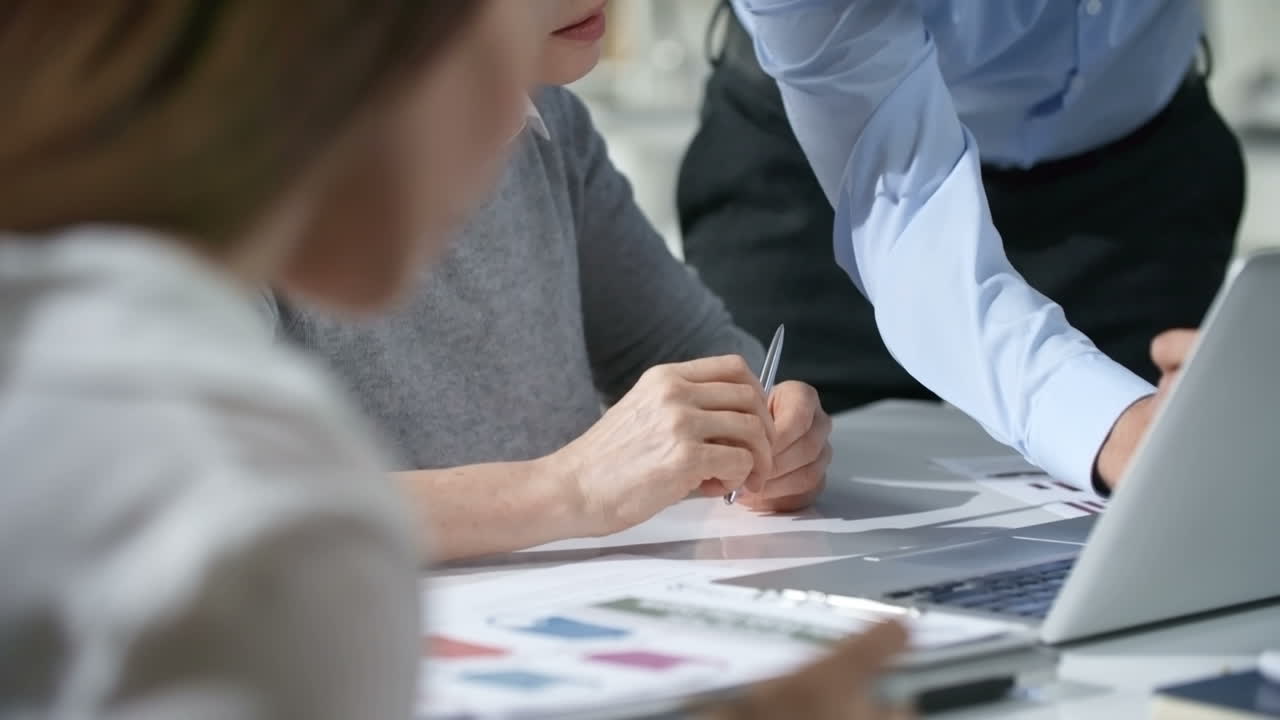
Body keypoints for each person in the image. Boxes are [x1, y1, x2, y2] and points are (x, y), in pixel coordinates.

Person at [0, 2, 908, 718]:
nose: (510, 128)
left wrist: (759, 433)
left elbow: (717, 367)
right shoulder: (264, 533)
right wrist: (571, 491)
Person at [264, 0, 833, 562]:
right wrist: (572, 487)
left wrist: (773, 435)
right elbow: (238, 503)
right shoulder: (237, 165)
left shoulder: (549, 119)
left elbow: (695, 351)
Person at [679, 0, 1246, 490]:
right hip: (824, 166)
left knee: (1146, 550)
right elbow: (908, 214)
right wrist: (1110, 423)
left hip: (1137, 178)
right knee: (781, 492)